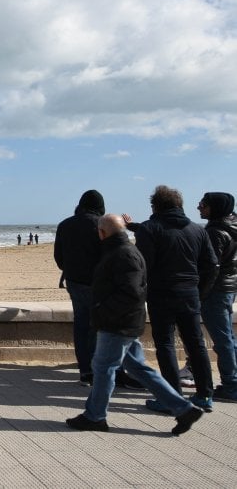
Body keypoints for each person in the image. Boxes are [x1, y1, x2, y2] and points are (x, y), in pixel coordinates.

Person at [66, 214, 204, 435]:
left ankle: (95, 416)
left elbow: (131, 293)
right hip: (124, 322)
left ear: (102, 233)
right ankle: (183, 408)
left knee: (103, 368)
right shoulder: (120, 250)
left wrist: (102, 310)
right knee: (138, 368)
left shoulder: (123, 254)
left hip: (118, 323)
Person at [125, 185, 217, 413]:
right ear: (179, 205)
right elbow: (212, 265)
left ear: (155, 206)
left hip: (162, 293)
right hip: (189, 292)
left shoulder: (151, 229)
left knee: (165, 344)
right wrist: (200, 291)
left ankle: (172, 398)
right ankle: (205, 394)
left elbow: (143, 265)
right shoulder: (197, 230)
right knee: (196, 343)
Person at [54, 190, 105, 385]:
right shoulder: (101, 224)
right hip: (98, 283)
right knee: (97, 327)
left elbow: (59, 257)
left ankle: (85, 369)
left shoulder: (65, 225)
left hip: (74, 282)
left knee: (81, 325)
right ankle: (96, 367)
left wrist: (69, 270)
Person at [197, 192, 237, 401]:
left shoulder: (215, 232)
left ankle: (231, 385)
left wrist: (201, 292)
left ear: (216, 208)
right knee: (227, 337)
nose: (199, 208)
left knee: (222, 340)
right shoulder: (231, 226)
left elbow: (211, 266)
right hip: (229, 288)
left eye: (203, 205)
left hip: (216, 290)